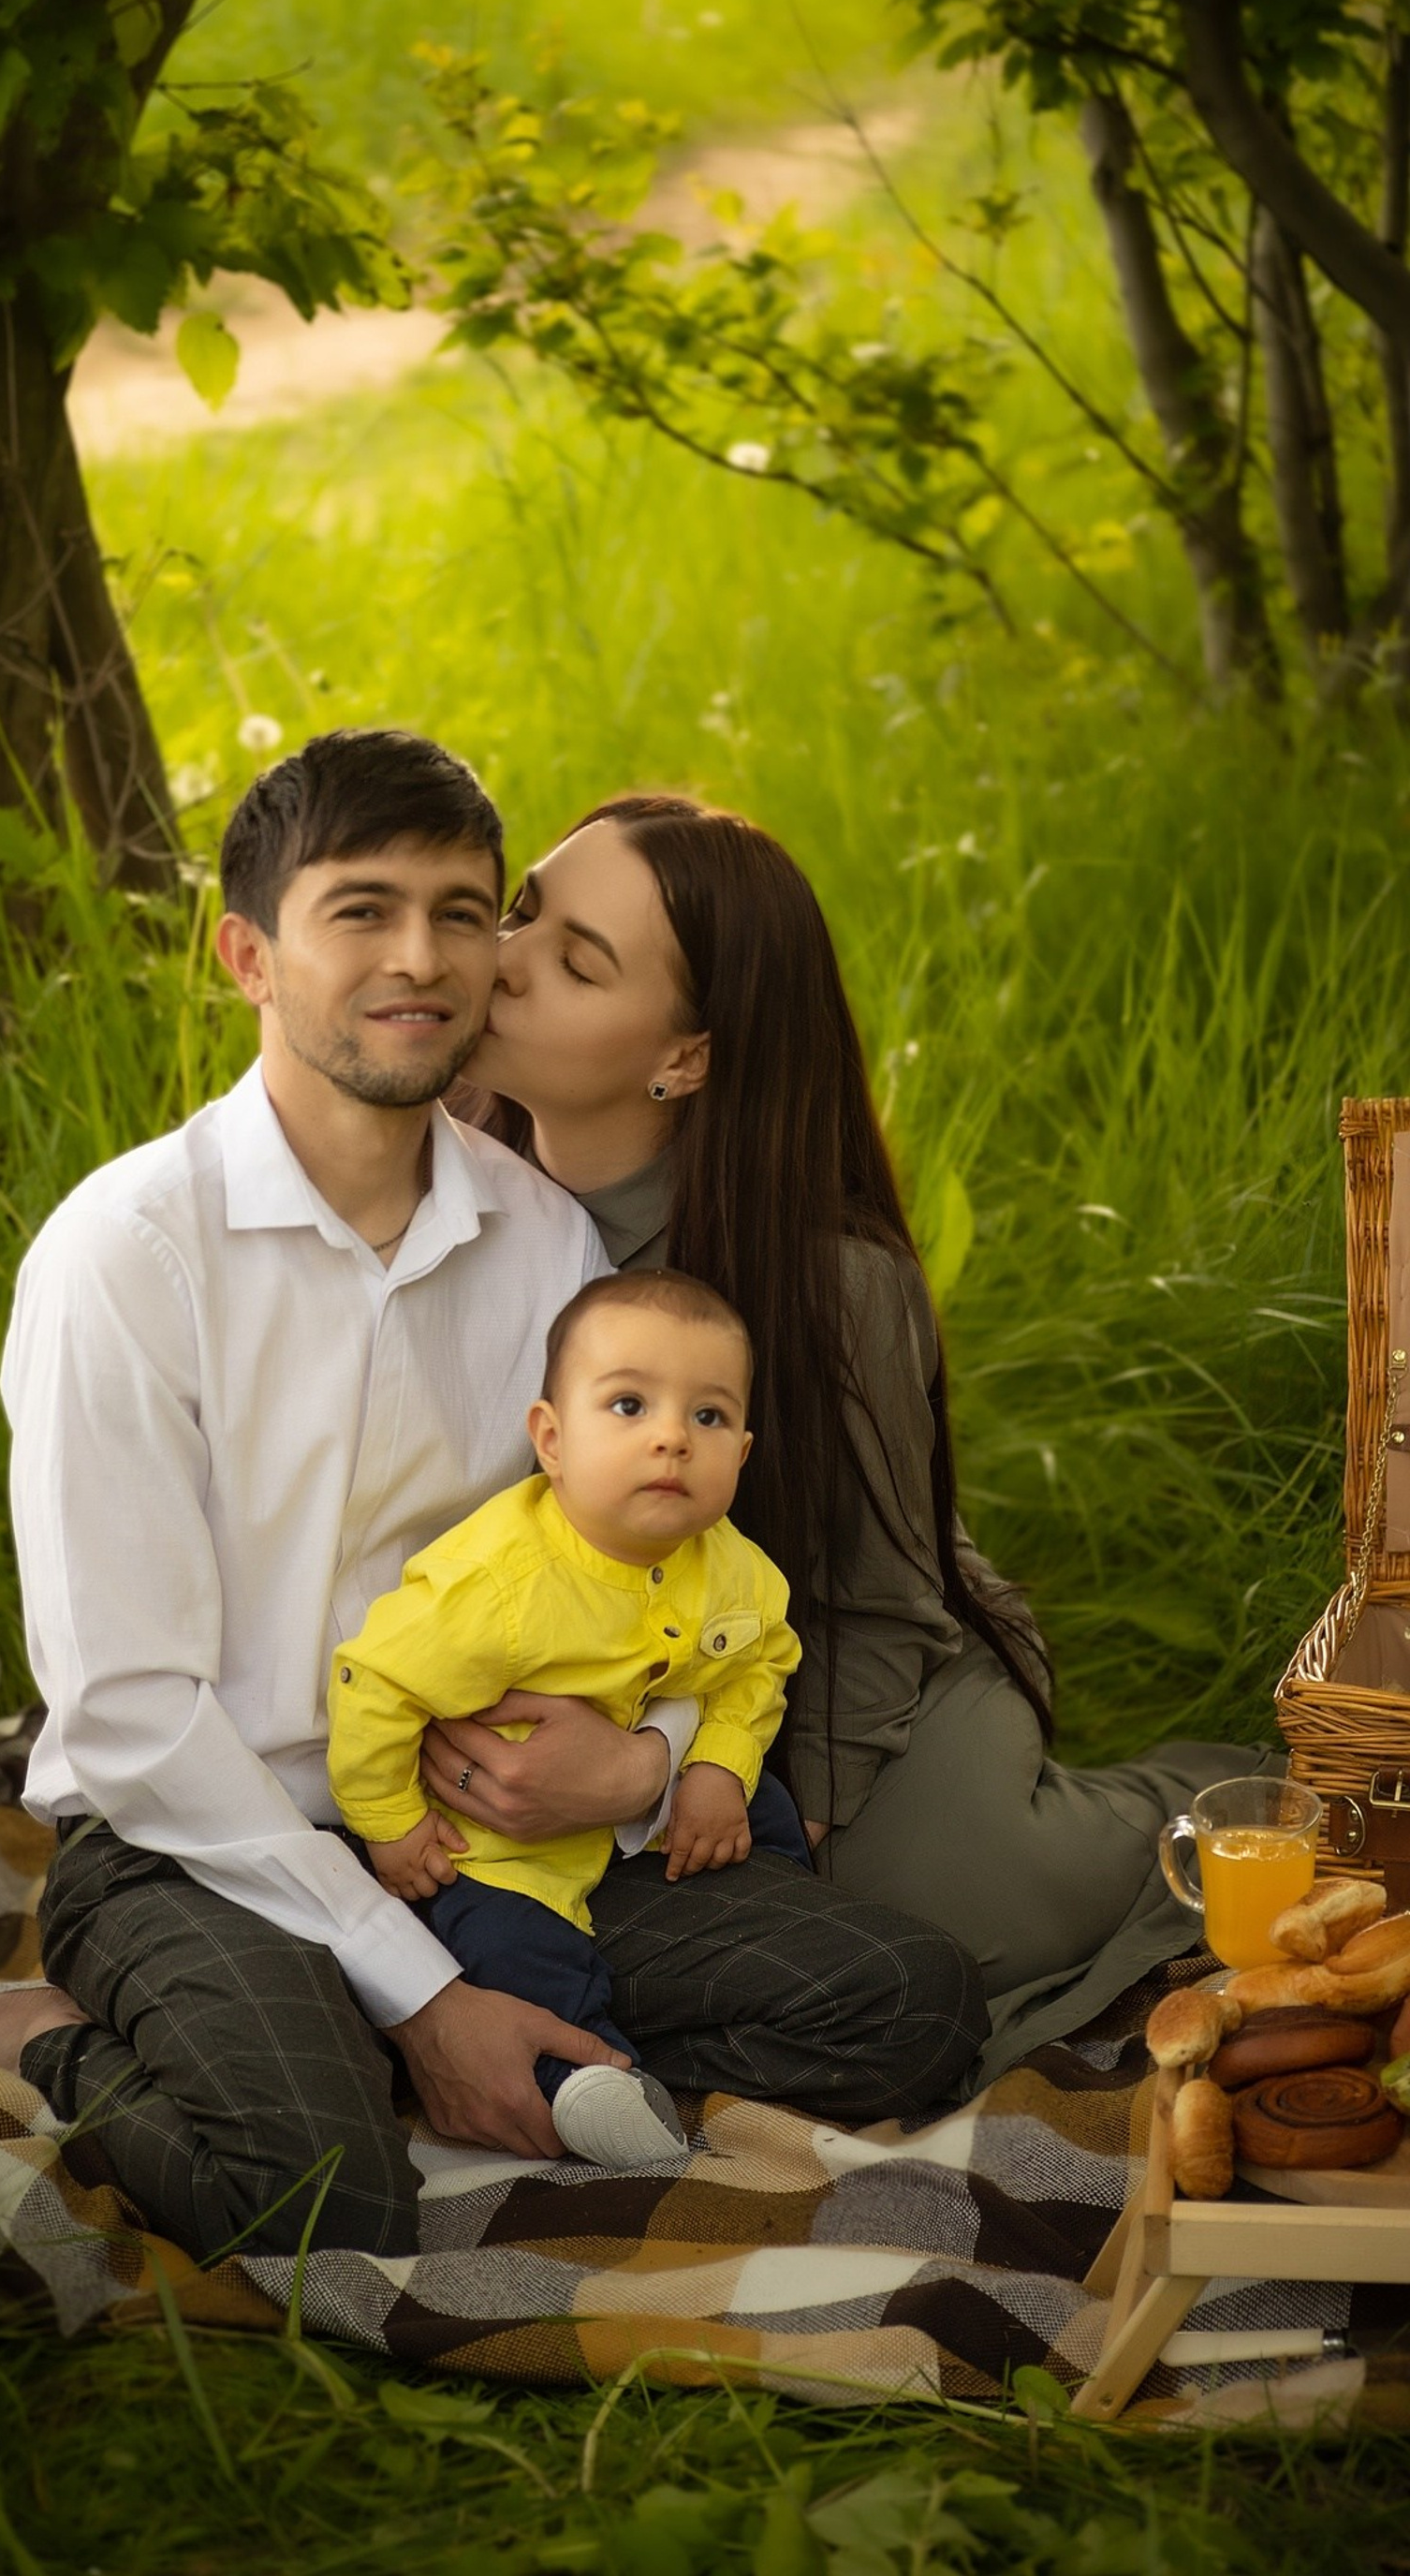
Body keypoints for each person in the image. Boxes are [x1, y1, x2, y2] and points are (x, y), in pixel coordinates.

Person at [0, 732, 990, 2266]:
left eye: (460, 909)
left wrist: (651, 1762)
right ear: (248, 954)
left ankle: (369, 2042)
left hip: (482, 1836)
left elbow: (641, 1579)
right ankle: (56, 2037)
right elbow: (128, 1722)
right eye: (360, 911)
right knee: (321, 2194)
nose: (424, 958)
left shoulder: (543, 1247)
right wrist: (422, 1997)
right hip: (198, 1837)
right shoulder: (130, 1258)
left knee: (910, 2003)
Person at [446, 792, 1268, 2085]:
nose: (504, 960)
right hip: (599, 1662)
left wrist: (776, 1837)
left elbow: (881, 1604)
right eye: (520, 914)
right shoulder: (443, 1202)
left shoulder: (828, 1279)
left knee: (952, 1926)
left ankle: (1237, 1803)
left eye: (576, 961)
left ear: (687, 1056)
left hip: (844, 1672)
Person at [330, 1270, 810, 2172]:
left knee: (765, 1815)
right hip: (497, 1843)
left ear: (741, 1454)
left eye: (706, 1419)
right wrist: (390, 1826)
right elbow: (372, 1684)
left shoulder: (736, 1569)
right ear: (551, 1439)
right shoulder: (499, 1588)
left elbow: (760, 1664)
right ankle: (584, 2084)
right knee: (518, 1947)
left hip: (643, 1806)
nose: (671, 1437)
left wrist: (716, 1768)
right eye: (629, 1405)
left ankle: (763, 1941)